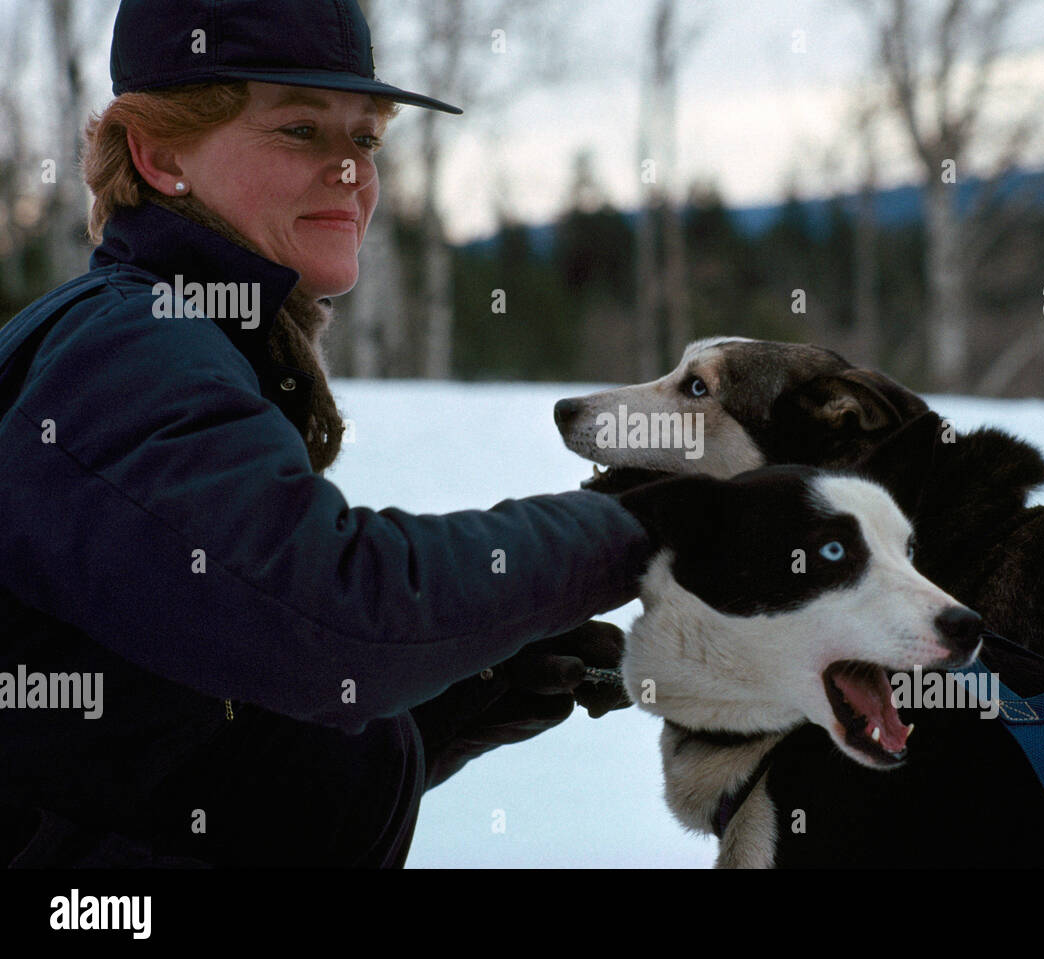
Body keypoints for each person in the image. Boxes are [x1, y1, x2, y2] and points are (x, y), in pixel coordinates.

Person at [0, 0, 652, 868]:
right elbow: (329, 610)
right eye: (302, 130)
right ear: (159, 156)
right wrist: (649, 527)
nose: (350, 174)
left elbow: (181, 747)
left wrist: (451, 703)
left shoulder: (176, 334)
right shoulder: (133, 349)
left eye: (366, 141)